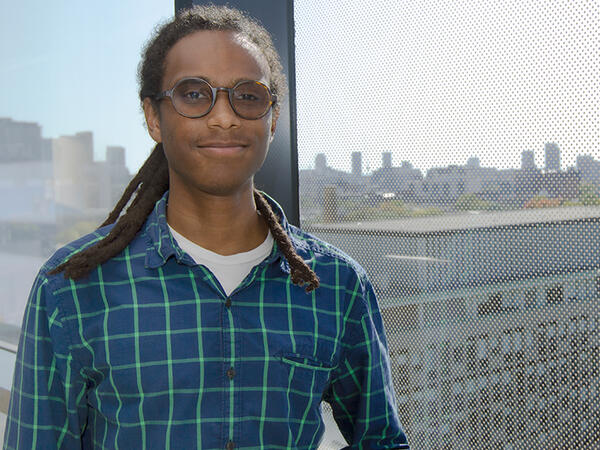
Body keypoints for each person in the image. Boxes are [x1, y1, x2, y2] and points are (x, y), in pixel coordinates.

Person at [3, 5, 409, 449]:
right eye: (194, 94)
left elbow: (381, 440)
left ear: (272, 118)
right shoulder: (71, 289)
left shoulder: (337, 286)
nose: (223, 117)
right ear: (154, 117)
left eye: (248, 95)